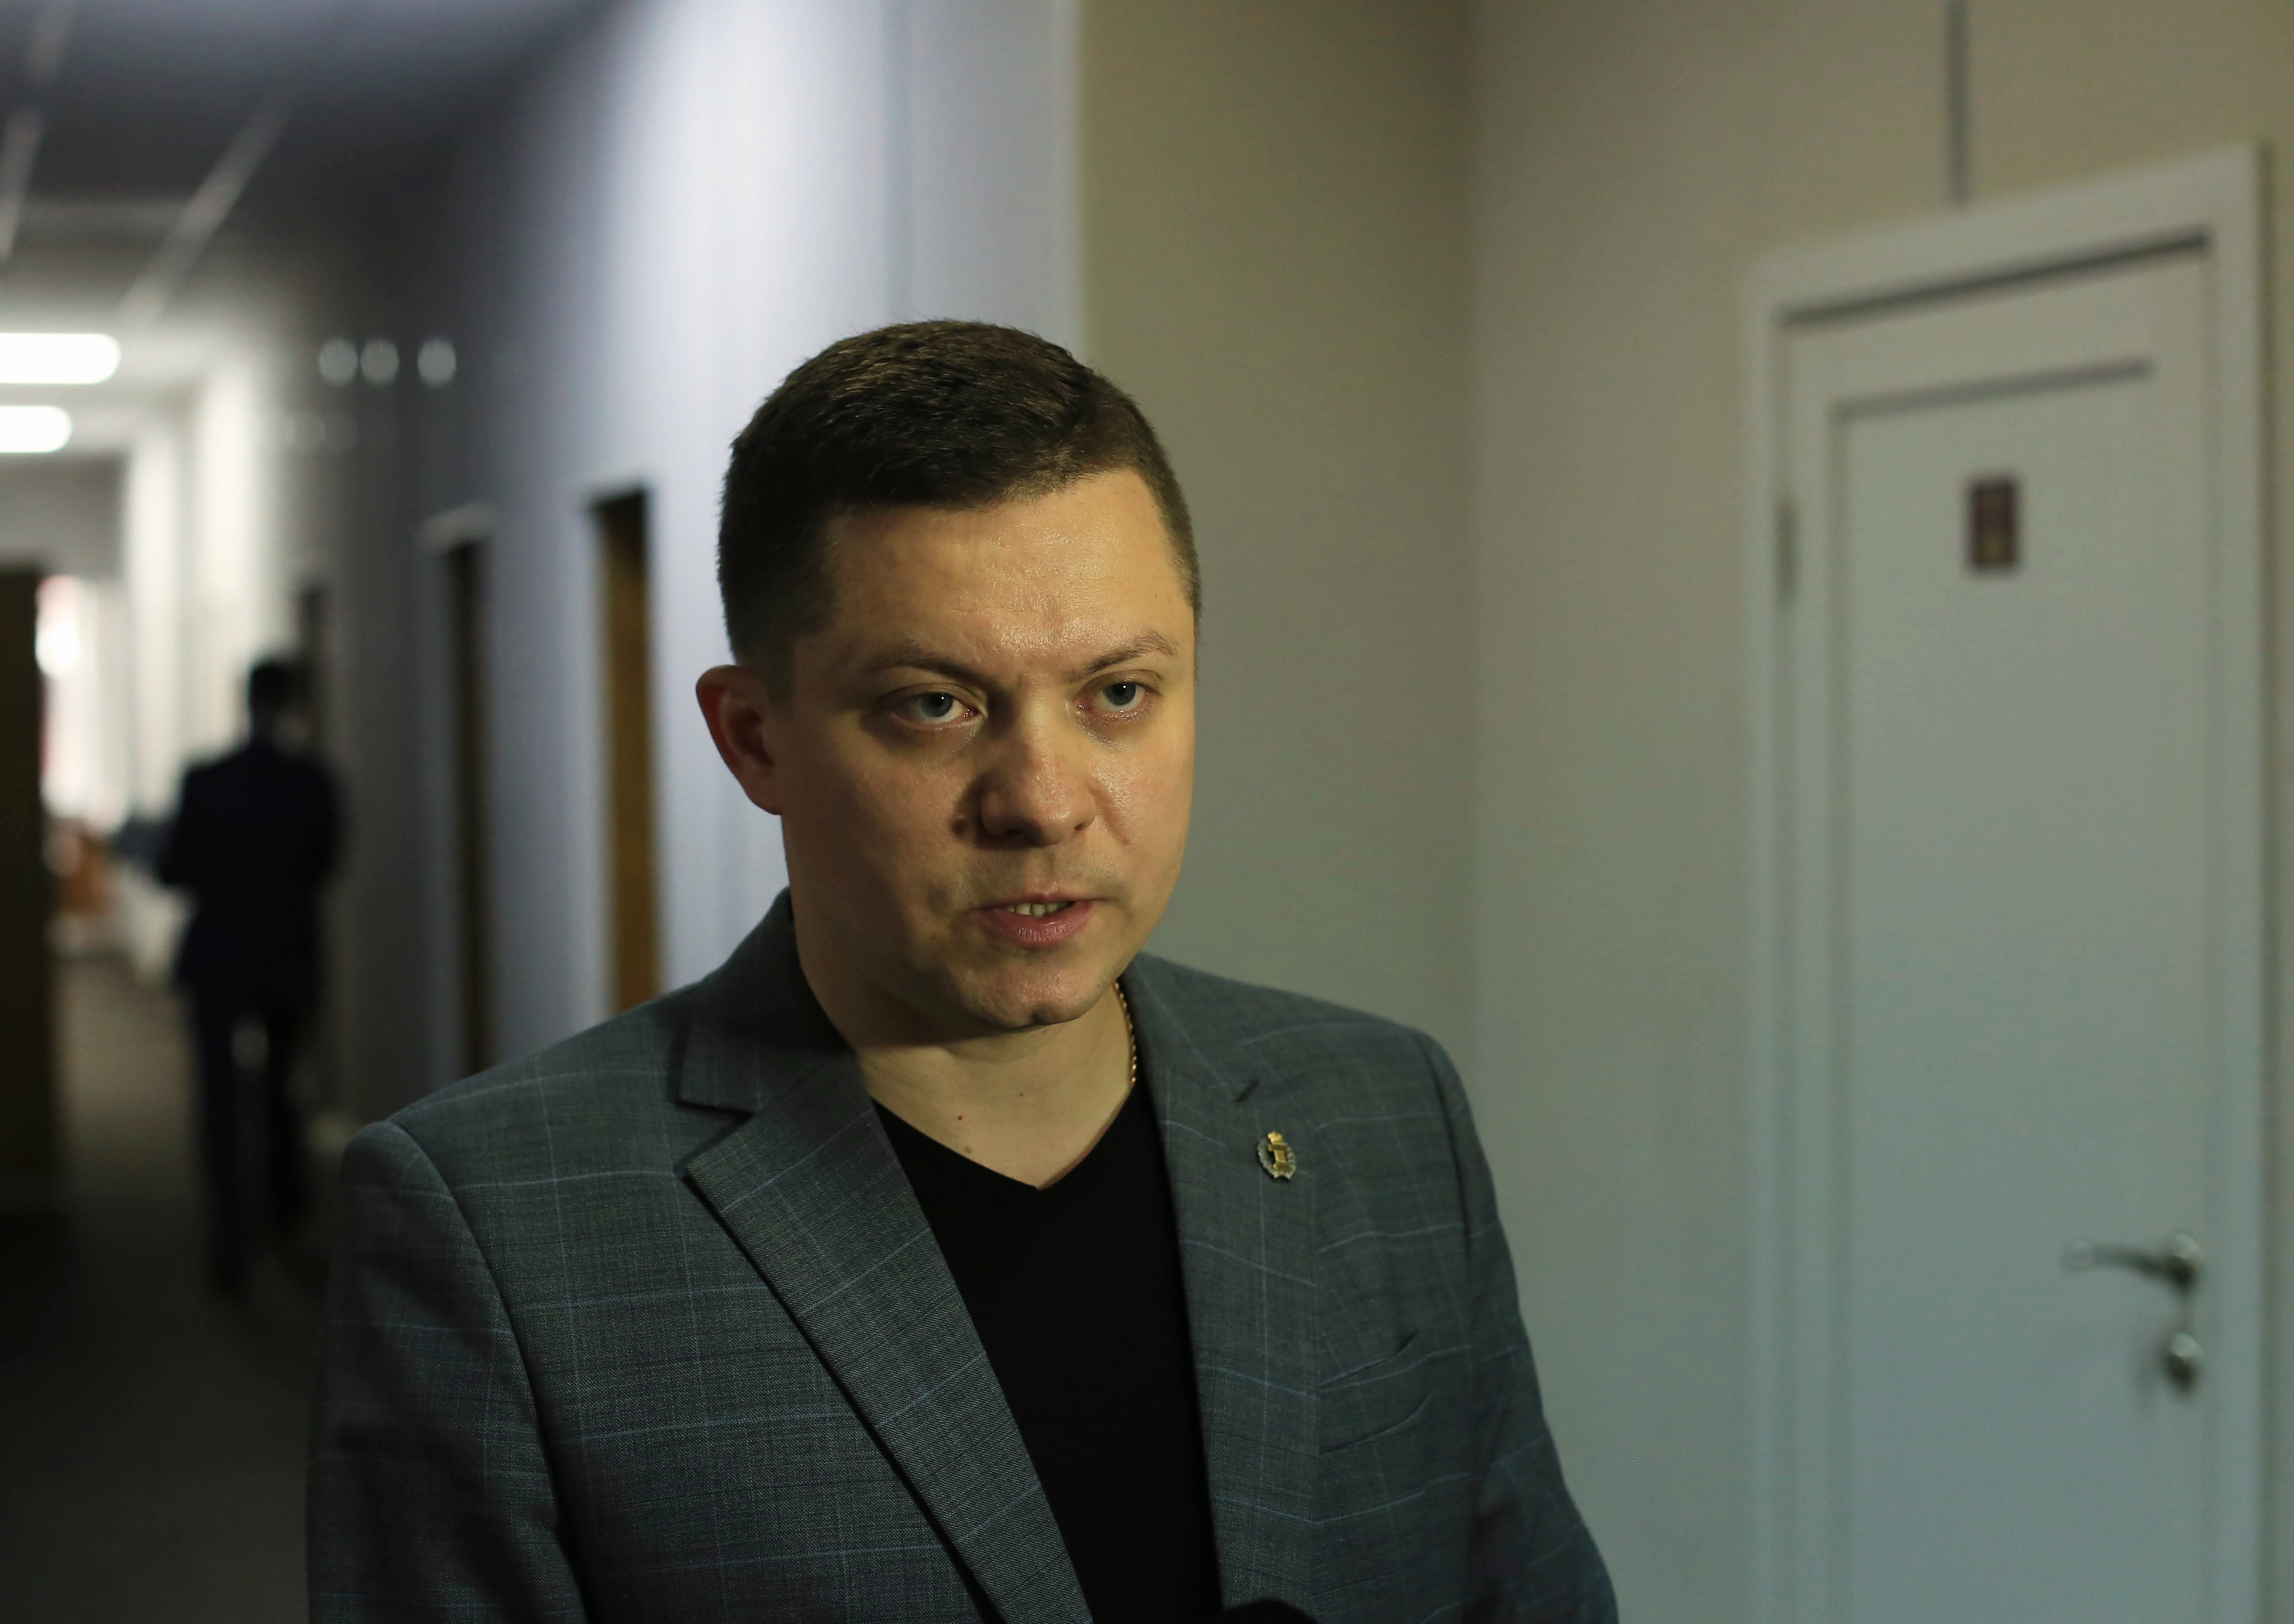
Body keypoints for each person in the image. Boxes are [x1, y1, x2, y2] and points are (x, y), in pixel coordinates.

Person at [309, 323, 1615, 1621]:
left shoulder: (1383, 1114)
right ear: (754, 739)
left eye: (1117, 693)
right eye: (934, 703)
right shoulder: (493, 1232)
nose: (1042, 801)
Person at [159, 657, 340, 1292]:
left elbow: (175, 868)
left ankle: (230, 1234)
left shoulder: (206, 780)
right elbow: (325, 864)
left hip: (217, 955)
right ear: (292, 704)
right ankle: (285, 1217)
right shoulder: (311, 782)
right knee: (282, 1088)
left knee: (217, 1095)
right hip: (284, 953)